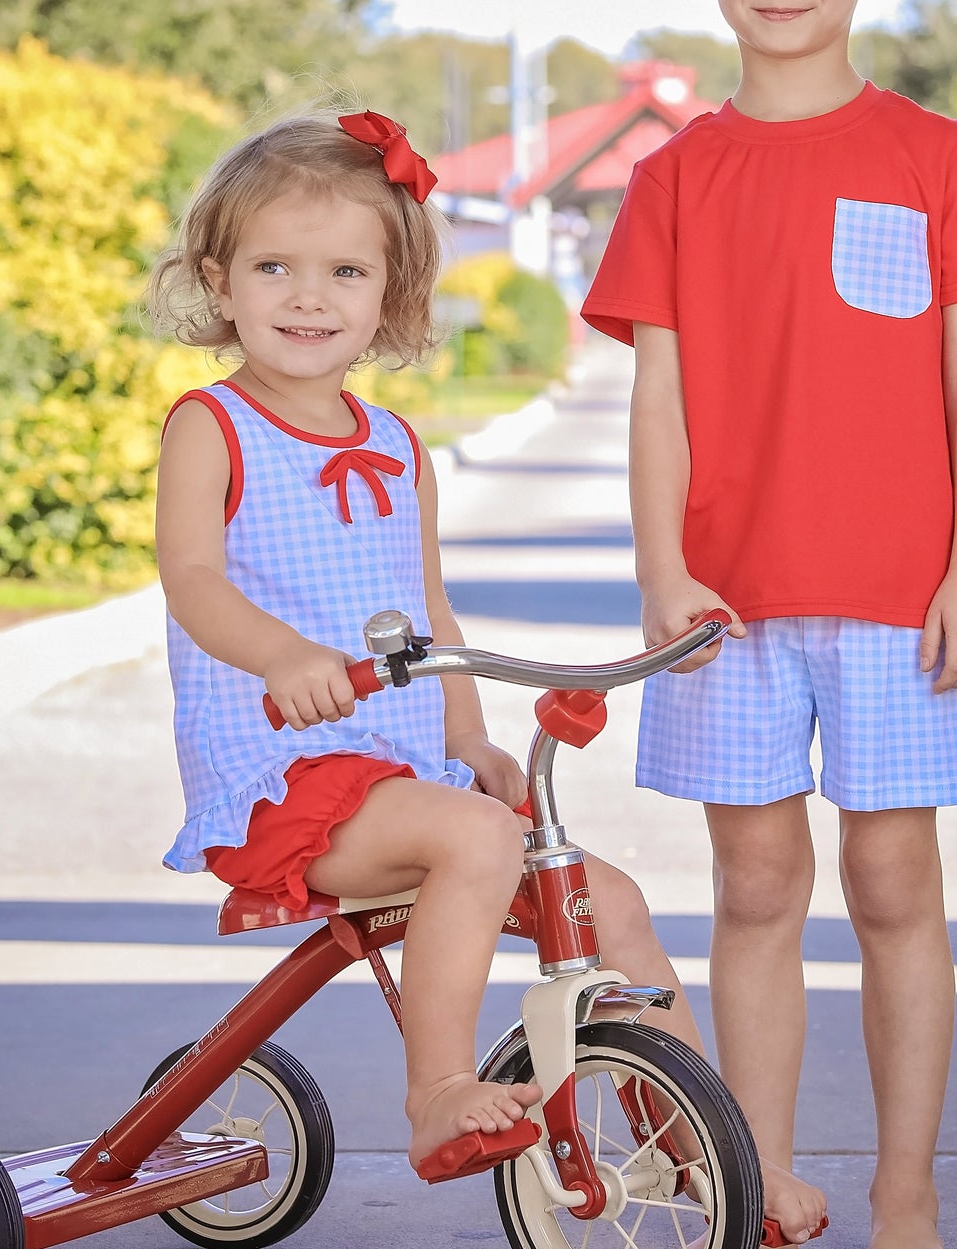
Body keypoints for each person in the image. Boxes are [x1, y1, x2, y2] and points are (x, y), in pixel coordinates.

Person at [581, 0, 957, 1249]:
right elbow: (659, 403)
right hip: (729, 607)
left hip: (898, 605)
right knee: (756, 890)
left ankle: (905, 1198)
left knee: (897, 887)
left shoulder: (937, 159)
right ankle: (761, 1183)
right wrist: (664, 572)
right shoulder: (671, 180)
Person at [147, 106, 709, 1183]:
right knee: (478, 840)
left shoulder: (400, 444)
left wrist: (473, 739)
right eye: (274, 265)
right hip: (285, 779)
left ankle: (704, 1150)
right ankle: (437, 1088)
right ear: (220, 281)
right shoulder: (210, 428)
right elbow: (194, 579)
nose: (309, 296)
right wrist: (277, 655)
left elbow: (431, 613)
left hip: (406, 778)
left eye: (345, 272)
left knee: (607, 897)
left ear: (387, 297)